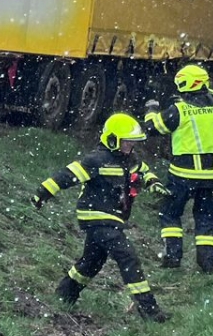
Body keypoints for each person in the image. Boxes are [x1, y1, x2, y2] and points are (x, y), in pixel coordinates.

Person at [33, 112, 171, 323]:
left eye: (132, 143)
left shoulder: (130, 160)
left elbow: (143, 171)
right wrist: (42, 193)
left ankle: (64, 295)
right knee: (127, 257)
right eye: (126, 143)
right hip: (96, 217)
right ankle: (149, 310)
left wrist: (154, 183)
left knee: (91, 262)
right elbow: (66, 176)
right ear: (113, 139)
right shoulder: (96, 160)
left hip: (112, 218)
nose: (130, 147)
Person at [143, 64, 213, 274]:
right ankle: (207, 262)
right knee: (206, 216)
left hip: (183, 174)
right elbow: (207, 99)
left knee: (170, 213)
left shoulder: (179, 110)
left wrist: (151, 109)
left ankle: (172, 256)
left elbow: (153, 128)